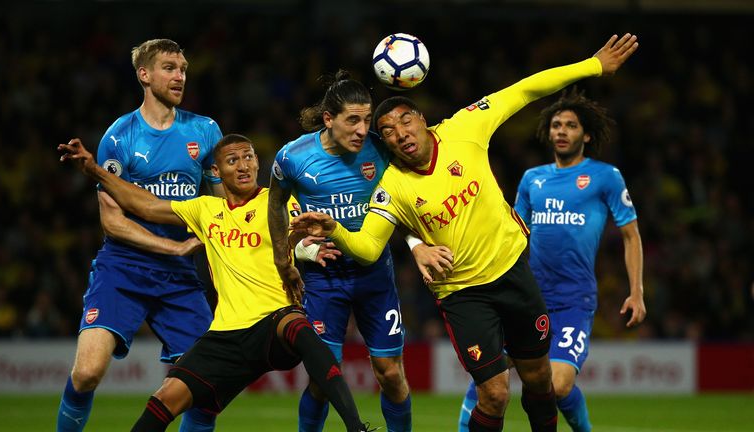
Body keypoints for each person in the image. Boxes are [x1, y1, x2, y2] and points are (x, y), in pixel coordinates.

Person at [290, 34, 639, 432]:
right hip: (463, 294)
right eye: (387, 130)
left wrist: (593, 65)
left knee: (540, 379)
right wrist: (336, 229)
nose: (400, 132)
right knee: (494, 394)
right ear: (384, 143)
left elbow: (524, 90)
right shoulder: (393, 186)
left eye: (406, 120)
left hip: (512, 272)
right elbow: (369, 249)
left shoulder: (465, 127)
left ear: (423, 120)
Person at [58, 134, 376, 432]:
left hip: (274, 323)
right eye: (233, 160)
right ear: (216, 171)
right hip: (224, 337)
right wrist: (94, 170)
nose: (244, 166)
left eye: (249, 157)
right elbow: (144, 205)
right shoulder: (206, 209)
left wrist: (312, 246)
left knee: (301, 330)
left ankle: (356, 427)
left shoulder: (276, 202)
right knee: (164, 399)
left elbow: (295, 237)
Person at [56, 39, 225, 432]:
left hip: (180, 278)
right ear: (144, 75)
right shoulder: (121, 136)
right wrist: (175, 245)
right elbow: (112, 222)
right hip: (124, 268)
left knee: (207, 385)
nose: (180, 75)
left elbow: (221, 203)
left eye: (183, 68)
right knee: (86, 373)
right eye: (169, 67)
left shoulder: (205, 130)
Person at [268, 70, 451, 432]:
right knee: (323, 378)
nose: (361, 129)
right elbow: (275, 205)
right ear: (328, 119)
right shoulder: (293, 157)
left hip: (375, 276)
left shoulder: (380, 148)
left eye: (366, 120)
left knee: (390, 372)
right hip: (323, 279)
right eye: (352, 120)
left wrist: (415, 244)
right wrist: (285, 259)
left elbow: (405, 197)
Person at [458, 88, 646, 432]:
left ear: (586, 134)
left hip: (574, 297)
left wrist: (637, 292)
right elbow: (515, 233)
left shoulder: (605, 177)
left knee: (557, 386)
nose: (561, 131)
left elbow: (631, 235)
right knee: (488, 377)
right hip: (529, 295)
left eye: (571, 125)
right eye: (556, 124)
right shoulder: (533, 179)